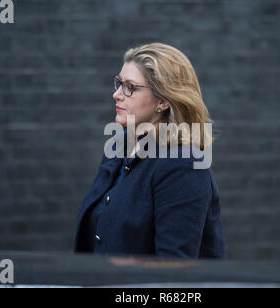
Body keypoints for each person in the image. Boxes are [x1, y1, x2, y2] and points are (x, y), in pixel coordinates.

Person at [74, 43, 226, 259]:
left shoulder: (183, 164)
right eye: (119, 83)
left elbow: (173, 270)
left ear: (163, 101)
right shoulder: (119, 147)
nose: (117, 94)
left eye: (130, 87)